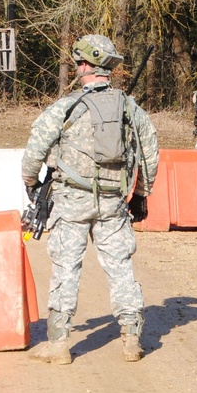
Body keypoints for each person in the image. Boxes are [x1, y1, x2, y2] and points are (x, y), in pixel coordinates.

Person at [22, 35, 159, 364]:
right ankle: (130, 338)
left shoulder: (66, 106)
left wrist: (30, 181)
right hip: (113, 202)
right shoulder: (130, 107)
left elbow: (35, 150)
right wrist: (141, 194)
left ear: (84, 66)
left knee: (66, 269)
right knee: (120, 268)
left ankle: (58, 345)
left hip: (71, 201)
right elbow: (150, 152)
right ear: (108, 68)